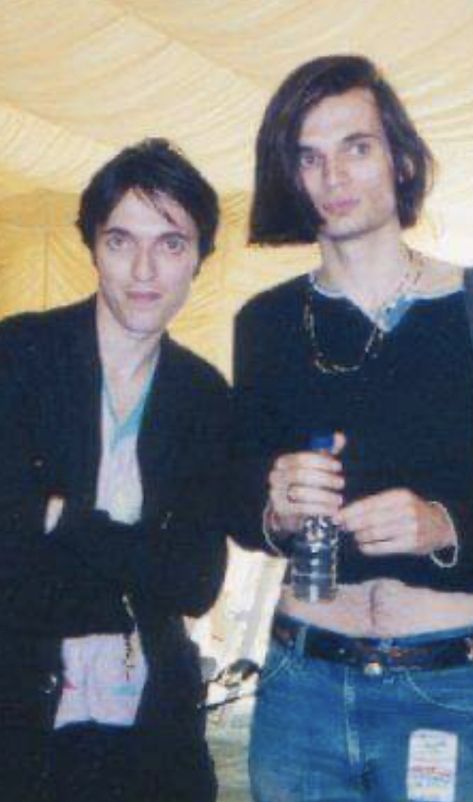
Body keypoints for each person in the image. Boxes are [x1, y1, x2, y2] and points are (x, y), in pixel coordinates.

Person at [232, 54, 473, 802]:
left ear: (397, 157)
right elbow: (236, 505)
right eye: (309, 157)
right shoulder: (263, 324)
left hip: (447, 686)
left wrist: (444, 524)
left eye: (355, 147)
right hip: (301, 685)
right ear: (288, 177)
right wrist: (273, 507)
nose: (334, 177)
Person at [0, 138, 229, 802]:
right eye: (121, 241)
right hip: (20, 713)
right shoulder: (21, 355)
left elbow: (195, 580)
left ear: (199, 260)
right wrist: (131, 572)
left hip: (150, 727)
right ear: (92, 247)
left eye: (171, 244)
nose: (143, 270)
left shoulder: (203, 395)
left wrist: (60, 517)